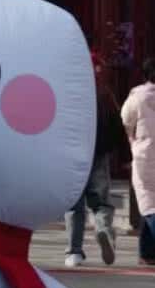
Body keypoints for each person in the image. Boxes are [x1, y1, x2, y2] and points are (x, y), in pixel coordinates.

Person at [64, 54, 126, 268]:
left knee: (74, 205)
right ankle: (103, 230)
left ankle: (74, 252)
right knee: (101, 201)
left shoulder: (68, 93)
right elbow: (118, 125)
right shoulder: (104, 93)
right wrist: (125, 156)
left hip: (73, 154)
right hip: (99, 154)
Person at [121, 57, 155, 267]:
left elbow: (125, 119)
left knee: (149, 206)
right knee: (148, 206)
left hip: (144, 155)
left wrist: (132, 139)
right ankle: (147, 253)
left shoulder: (138, 96)